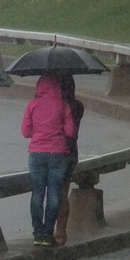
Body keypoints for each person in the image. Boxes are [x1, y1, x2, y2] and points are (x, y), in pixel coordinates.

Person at [21, 74, 77, 246]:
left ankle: (37, 233)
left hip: (37, 153)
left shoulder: (32, 105)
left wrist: (39, 131)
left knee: (37, 194)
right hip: (58, 154)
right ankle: (48, 234)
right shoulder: (63, 105)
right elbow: (70, 132)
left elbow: (25, 132)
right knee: (54, 195)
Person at [54, 75, 85, 246]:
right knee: (63, 193)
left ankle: (49, 230)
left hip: (56, 151)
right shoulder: (78, 106)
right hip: (72, 153)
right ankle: (61, 230)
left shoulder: (58, 107)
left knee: (53, 193)